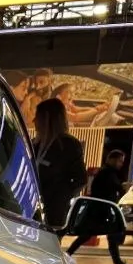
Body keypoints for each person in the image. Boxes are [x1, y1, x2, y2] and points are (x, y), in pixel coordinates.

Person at [67, 149, 133, 264]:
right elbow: (108, 189)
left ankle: (118, 263)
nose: (121, 164)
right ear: (111, 159)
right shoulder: (106, 173)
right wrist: (122, 187)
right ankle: (67, 254)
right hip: (100, 210)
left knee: (100, 235)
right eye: (119, 161)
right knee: (91, 235)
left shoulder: (108, 172)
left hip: (102, 209)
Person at [33, 97, 87, 230]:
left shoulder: (68, 145)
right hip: (29, 210)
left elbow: (80, 179)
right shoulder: (34, 144)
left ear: (48, 119)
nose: (34, 121)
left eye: (37, 117)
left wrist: (60, 198)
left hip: (53, 215)